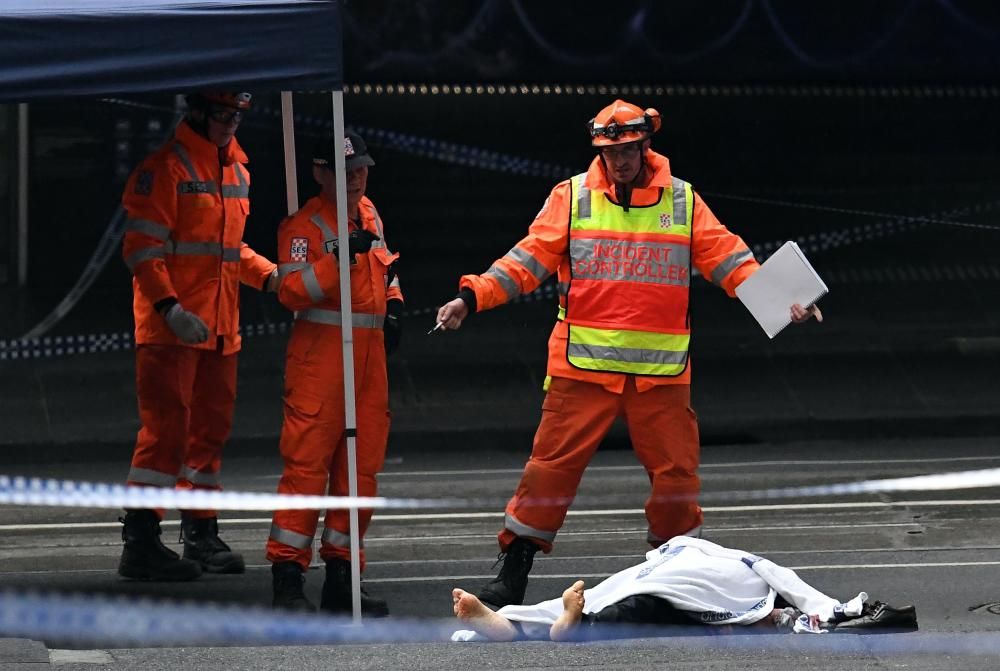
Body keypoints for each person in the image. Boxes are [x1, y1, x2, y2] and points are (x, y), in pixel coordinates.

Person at [436, 99, 822, 608]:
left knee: (677, 478)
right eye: (610, 150)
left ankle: (677, 570)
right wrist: (471, 297)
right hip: (583, 366)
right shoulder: (571, 197)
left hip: (658, 374)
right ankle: (515, 566)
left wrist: (784, 300)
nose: (620, 160)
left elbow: (729, 259)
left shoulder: (681, 201)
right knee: (549, 469)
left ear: (645, 145)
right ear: (600, 150)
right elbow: (525, 260)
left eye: (628, 149)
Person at [118, 91, 279, 581]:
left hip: (218, 329)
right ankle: (141, 541)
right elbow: (141, 248)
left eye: (237, 116)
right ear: (199, 114)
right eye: (224, 115)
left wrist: (272, 277)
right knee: (165, 437)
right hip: (173, 331)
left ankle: (201, 534)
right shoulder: (165, 169)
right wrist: (170, 309)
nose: (232, 124)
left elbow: (230, 250)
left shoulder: (236, 170)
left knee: (208, 437)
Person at [266, 131, 402, 616]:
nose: (358, 177)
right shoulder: (302, 228)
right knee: (305, 472)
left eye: (362, 167)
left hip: (367, 362)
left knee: (360, 473)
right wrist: (339, 257)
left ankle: (343, 577)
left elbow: (387, 267)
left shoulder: (369, 213)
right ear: (321, 174)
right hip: (320, 362)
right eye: (346, 171)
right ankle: (288, 580)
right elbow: (292, 290)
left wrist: (394, 305)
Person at [451, 536, 917, 641]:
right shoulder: (751, 575)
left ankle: (512, 619)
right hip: (677, 587)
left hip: (659, 580)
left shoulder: (686, 549)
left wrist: (824, 611)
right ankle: (556, 622)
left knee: (619, 597)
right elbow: (787, 583)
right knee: (633, 604)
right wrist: (830, 609)